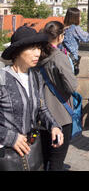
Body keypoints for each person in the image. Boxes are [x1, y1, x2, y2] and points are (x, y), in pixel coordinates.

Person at [0, 26, 63, 171]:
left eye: (39, 48)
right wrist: (10, 138)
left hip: (33, 154)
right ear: (17, 52)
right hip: (6, 157)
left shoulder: (36, 76)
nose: (38, 53)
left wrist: (53, 126)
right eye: (32, 49)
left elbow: (42, 108)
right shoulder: (2, 77)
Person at [38, 21, 77, 171]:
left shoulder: (37, 55)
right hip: (60, 115)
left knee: (44, 158)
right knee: (57, 160)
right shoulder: (59, 57)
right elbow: (71, 86)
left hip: (41, 115)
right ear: (60, 37)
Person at [63, 7, 89, 75]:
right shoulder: (74, 28)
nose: (80, 18)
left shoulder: (64, 28)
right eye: (79, 16)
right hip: (71, 61)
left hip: (63, 59)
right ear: (74, 18)